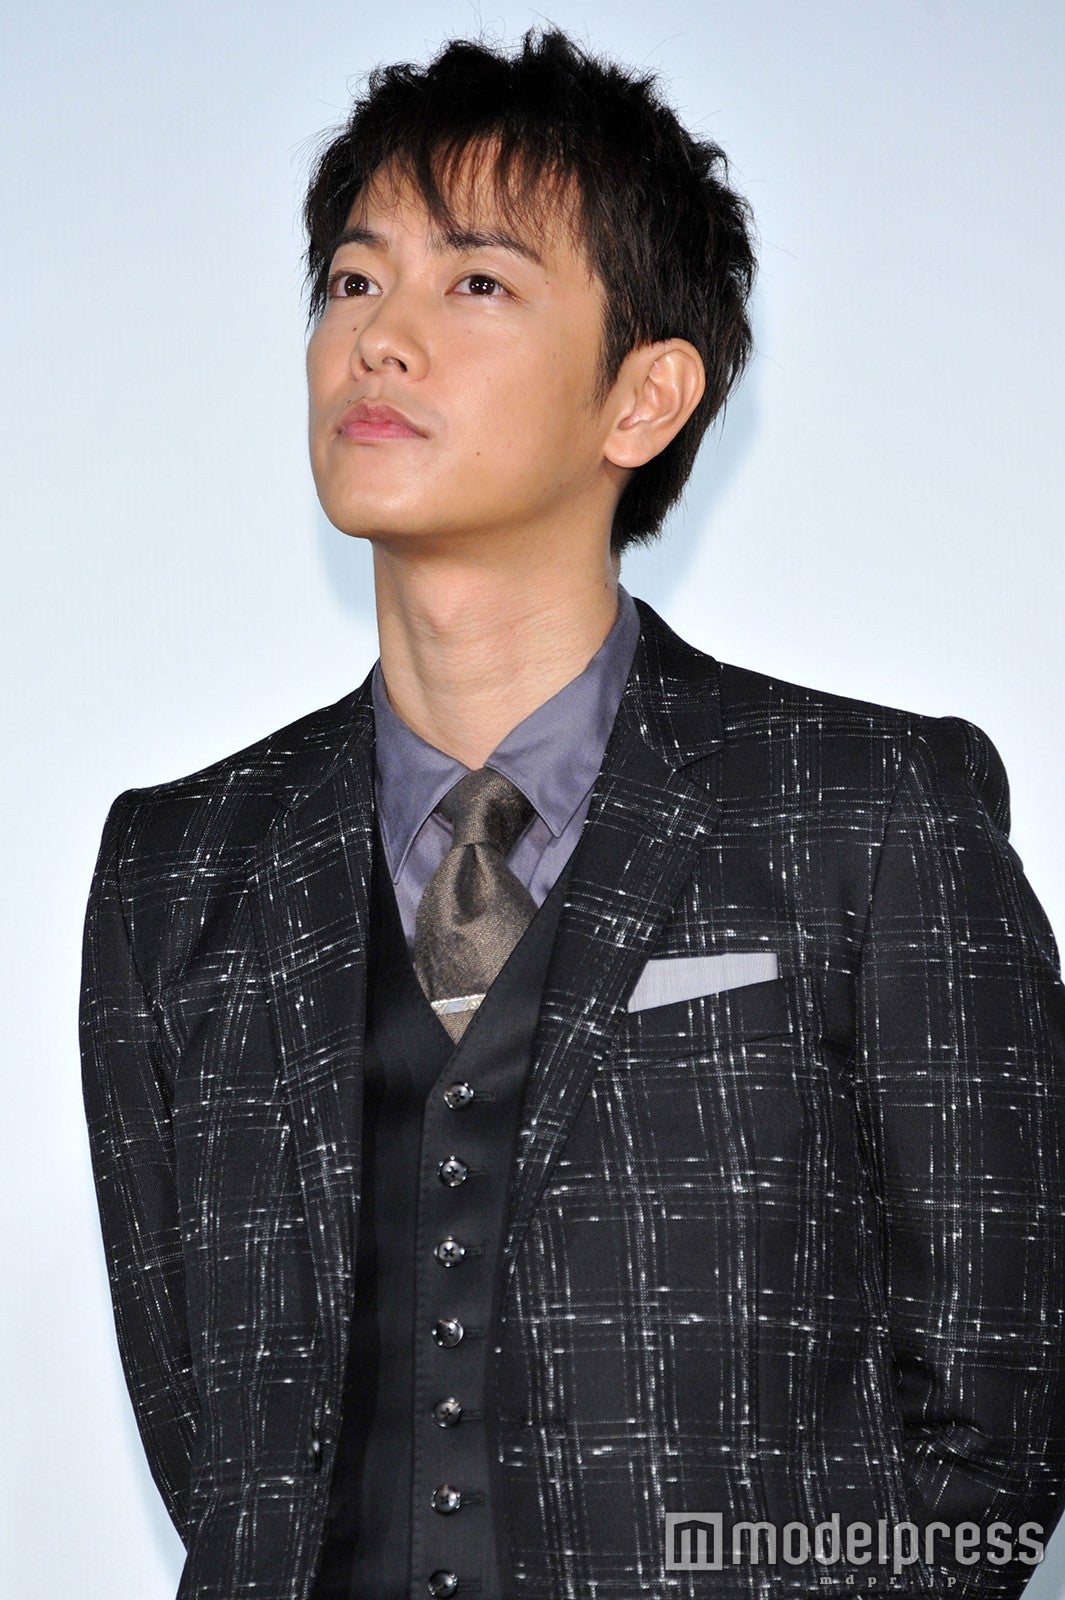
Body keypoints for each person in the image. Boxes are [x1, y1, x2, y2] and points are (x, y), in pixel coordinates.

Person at [79, 26, 1065, 1600]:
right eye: (351, 280)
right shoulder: (176, 864)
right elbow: (217, 1449)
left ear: (643, 397)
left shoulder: (868, 814)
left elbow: (995, 1425)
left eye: (474, 282)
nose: (378, 340)